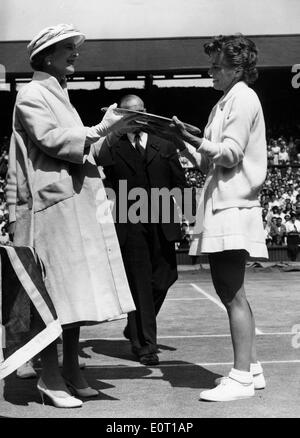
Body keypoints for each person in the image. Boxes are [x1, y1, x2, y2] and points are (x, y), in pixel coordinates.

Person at [5, 24, 140, 408]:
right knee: (55, 297)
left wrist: (110, 132)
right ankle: (49, 376)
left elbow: (81, 145)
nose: (74, 53)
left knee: (75, 294)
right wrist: (100, 128)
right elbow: (51, 140)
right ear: (47, 56)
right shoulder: (31, 93)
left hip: (73, 205)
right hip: (49, 209)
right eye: (67, 48)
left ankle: (71, 370)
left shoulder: (59, 93)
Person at [151, 34, 268, 401]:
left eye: (216, 67)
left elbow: (230, 155)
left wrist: (195, 139)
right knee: (229, 290)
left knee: (230, 292)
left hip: (233, 207)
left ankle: (241, 378)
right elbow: (206, 161)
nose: (210, 72)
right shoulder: (222, 104)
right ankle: (251, 367)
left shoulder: (244, 98)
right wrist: (183, 137)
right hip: (220, 205)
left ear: (237, 67)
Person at [98, 94, 187, 366]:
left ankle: (134, 327)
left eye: (139, 113)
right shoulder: (113, 146)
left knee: (166, 276)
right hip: (130, 220)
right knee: (140, 284)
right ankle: (145, 345)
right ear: (122, 117)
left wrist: (190, 219)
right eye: (128, 114)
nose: (135, 118)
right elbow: (101, 172)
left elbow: (180, 183)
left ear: (146, 113)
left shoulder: (165, 145)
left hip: (163, 219)